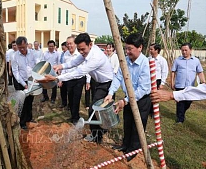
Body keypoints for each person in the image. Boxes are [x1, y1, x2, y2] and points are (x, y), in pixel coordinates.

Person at [38, 33, 113, 143]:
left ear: (90, 45)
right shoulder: (86, 53)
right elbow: (75, 62)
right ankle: (99, 132)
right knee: (98, 109)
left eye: (83, 49)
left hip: (107, 83)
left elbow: (79, 71)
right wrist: (61, 66)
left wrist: (57, 78)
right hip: (98, 82)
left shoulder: (96, 57)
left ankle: (97, 135)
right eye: (79, 49)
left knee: (95, 108)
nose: (81, 52)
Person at [104, 33, 151, 162]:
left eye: (130, 48)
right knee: (128, 122)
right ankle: (125, 145)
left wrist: (125, 100)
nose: (127, 51)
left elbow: (143, 89)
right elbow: (118, 77)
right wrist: (110, 93)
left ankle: (133, 150)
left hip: (142, 100)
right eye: (126, 48)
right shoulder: (125, 61)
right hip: (128, 99)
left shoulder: (145, 63)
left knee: (138, 126)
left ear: (140, 47)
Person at [171, 43, 205, 123]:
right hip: (179, 85)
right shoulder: (177, 60)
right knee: (180, 102)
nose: (184, 52)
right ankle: (180, 119)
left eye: (186, 50)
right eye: (182, 50)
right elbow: (173, 72)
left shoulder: (196, 61)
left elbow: (200, 72)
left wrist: (203, 81)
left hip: (190, 86)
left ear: (190, 50)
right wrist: (172, 82)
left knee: (188, 102)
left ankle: (181, 113)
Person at [60, 36, 89, 124]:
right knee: (71, 98)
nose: (69, 46)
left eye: (71, 43)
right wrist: (61, 78)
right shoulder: (66, 54)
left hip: (79, 79)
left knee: (76, 98)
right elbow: (64, 67)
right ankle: (73, 116)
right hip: (69, 79)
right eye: (67, 44)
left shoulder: (81, 53)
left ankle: (76, 118)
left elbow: (86, 67)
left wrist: (88, 81)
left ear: (75, 44)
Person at [11, 36, 38, 130]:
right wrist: (24, 84)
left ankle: (29, 119)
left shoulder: (33, 53)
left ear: (26, 44)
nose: (22, 49)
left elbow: (37, 65)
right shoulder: (15, 56)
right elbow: (15, 72)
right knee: (22, 102)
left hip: (31, 80)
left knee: (30, 100)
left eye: (23, 47)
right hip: (21, 82)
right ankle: (22, 122)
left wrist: (36, 78)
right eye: (20, 48)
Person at [58, 41, 68, 108]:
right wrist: (59, 70)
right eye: (62, 49)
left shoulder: (68, 55)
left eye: (64, 49)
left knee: (69, 90)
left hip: (68, 75)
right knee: (62, 89)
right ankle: (63, 103)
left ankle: (70, 105)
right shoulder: (61, 54)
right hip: (61, 73)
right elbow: (59, 63)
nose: (63, 50)